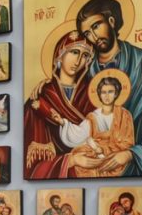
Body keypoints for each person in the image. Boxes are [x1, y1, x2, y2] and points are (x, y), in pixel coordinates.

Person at [77, 0, 142, 177]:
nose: (94, 37)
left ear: (111, 21)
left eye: (96, 26)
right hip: (95, 160)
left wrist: (131, 154)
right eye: (87, 33)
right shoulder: (84, 72)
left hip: (133, 163)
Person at [23, 31, 95, 179]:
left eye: (85, 55)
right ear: (59, 55)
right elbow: (30, 165)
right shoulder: (41, 95)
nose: (78, 61)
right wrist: (71, 161)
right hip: (60, 172)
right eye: (74, 52)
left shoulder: (92, 95)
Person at [69, 75, 136, 178]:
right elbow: (83, 137)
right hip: (95, 155)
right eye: (103, 92)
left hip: (115, 157)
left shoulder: (124, 115)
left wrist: (104, 149)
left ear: (116, 93)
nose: (107, 95)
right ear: (99, 94)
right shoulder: (92, 117)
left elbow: (128, 143)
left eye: (110, 92)